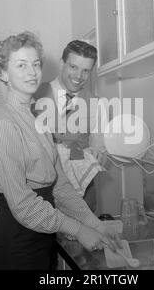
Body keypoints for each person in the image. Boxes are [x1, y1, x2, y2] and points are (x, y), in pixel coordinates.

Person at [0, 31, 121, 270]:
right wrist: (79, 229)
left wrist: (95, 224)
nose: (32, 72)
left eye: (35, 64)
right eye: (21, 65)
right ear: (3, 73)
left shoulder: (37, 122)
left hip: (43, 239)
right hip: (18, 244)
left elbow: (60, 185)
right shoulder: (2, 125)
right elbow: (24, 206)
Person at [32, 40, 107, 213]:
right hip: (43, 189)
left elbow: (100, 152)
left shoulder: (97, 104)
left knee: (84, 238)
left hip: (81, 192)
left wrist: (94, 154)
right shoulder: (35, 94)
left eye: (86, 70)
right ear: (62, 63)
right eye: (73, 67)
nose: (79, 76)